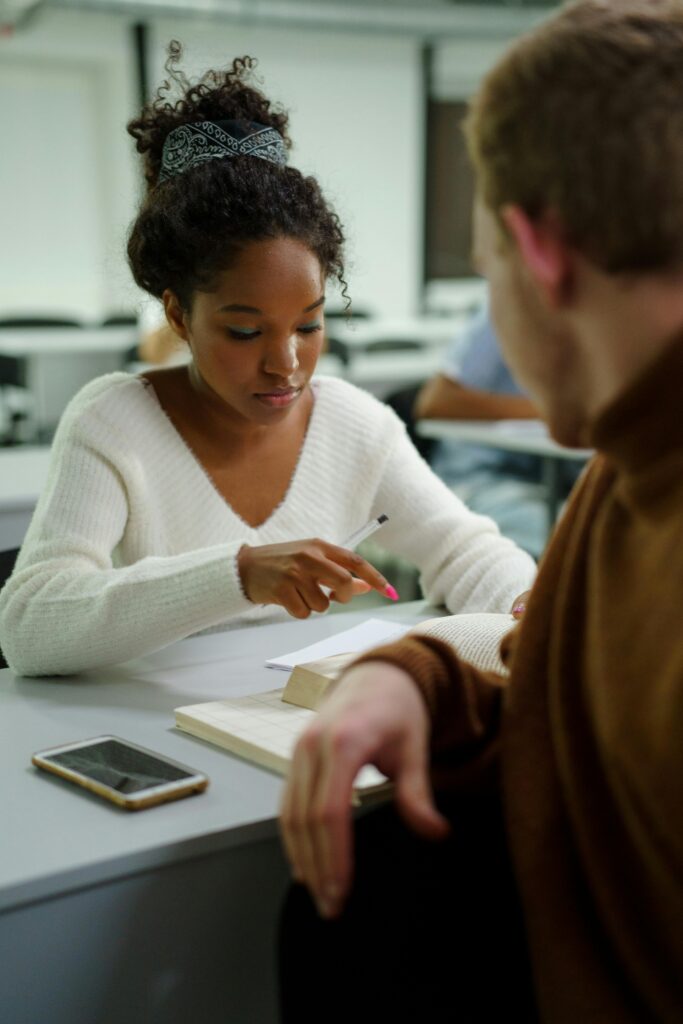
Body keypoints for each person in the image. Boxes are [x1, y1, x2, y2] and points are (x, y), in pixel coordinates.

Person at [279, 2, 683, 1021]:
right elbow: (590, 723)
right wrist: (416, 681)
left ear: (531, 253)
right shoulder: (620, 474)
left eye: (483, 265)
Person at [0, 48, 535, 678]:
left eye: (309, 324)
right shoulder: (113, 422)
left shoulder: (354, 424)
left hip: (284, 728)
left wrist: (526, 605)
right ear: (178, 316)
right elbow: (30, 626)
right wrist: (241, 572)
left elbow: (465, 549)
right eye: (245, 330)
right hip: (149, 736)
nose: (287, 365)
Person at [415, 298, 551, 557]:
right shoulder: (504, 308)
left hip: (546, 477)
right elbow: (434, 402)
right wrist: (549, 412)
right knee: (571, 539)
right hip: (481, 479)